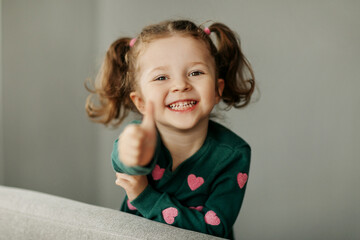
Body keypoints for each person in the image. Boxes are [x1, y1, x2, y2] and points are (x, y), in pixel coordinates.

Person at [85, 19, 255, 239]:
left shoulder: (233, 154)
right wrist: (133, 156)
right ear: (141, 102)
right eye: (161, 77)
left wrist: (144, 196)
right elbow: (127, 157)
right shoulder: (142, 137)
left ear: (216, 89)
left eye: (195, 72)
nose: (180, 85)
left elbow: (215, 231)